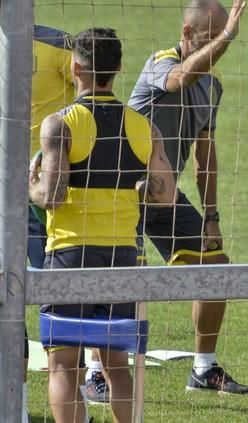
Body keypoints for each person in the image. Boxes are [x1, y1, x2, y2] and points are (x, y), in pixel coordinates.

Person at [29, 27, 176, 423]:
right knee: (117, 367)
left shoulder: (60, 124)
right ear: (120, 68)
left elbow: (53, 194)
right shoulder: (144, 127)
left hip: (70, 255)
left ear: (76, 68)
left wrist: (33, 187)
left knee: (64, 367)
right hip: (121, 256)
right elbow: (166, 194)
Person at [126, 0, 248, 394]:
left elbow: (205, 154)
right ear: (185, 34)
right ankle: (96, 373)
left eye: (221, 40)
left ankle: (202, 369)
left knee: (215, 266)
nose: (217, 49)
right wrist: (228, 36)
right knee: (118, 280)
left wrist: (211, 214)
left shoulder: (212, 87)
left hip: (165, 198)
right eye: (210, 40)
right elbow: (179, 79)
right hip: (118, 194)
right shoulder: (159, 64)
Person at [24, 25, 77, 423]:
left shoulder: (58, 44)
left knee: (57, 286)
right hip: (9, 189)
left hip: (46, 189)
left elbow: (87, 101)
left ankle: (83, 377)